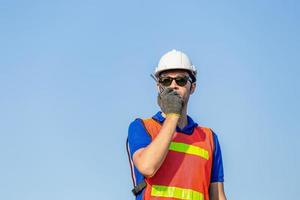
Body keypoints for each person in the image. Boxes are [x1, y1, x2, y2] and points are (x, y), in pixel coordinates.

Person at [126, 49, 227, 200]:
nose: (173, 85)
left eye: (181, 80)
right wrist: (172, 115)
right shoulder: (142, 127)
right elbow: (147, 166)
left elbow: (217, 195)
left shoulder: (209, 138)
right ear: (158, 87)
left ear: (192, 87)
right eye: (166, 80)